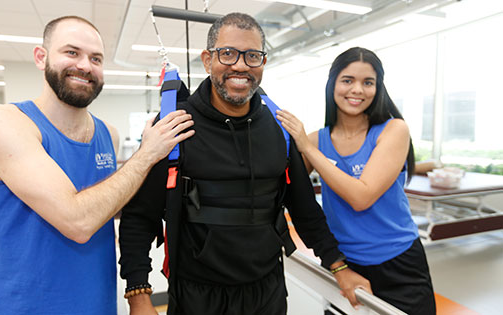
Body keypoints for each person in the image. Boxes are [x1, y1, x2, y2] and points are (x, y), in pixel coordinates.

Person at [119, 13, 371, 315]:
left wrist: (338, 265)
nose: (240, 65)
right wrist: (138, 293)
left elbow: (305, 210)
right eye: (228, 54)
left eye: (252, 56)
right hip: (197, 296)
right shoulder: (174, 126)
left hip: (267, 292)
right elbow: (139, 216)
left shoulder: (279, 129)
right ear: (208, 59)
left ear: (262, 63)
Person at [0, 16, 194, 314]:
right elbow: (79, 221)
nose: (85, 65)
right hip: (15, 306)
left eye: (95, 58)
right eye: (72, 52)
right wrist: (146, 154)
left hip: (95, 304)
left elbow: (110, 204)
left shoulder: (107, 134)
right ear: (41, 57)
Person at [276, 47, 436, 314]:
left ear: (378, 87)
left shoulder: (393, 129)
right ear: (333, 84)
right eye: (348, 80)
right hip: (344, 264)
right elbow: (287, 193)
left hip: (399, 263)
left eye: (368, 82)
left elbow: (361, 197)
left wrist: (307, 148)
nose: (357, 90)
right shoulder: (317, 140)